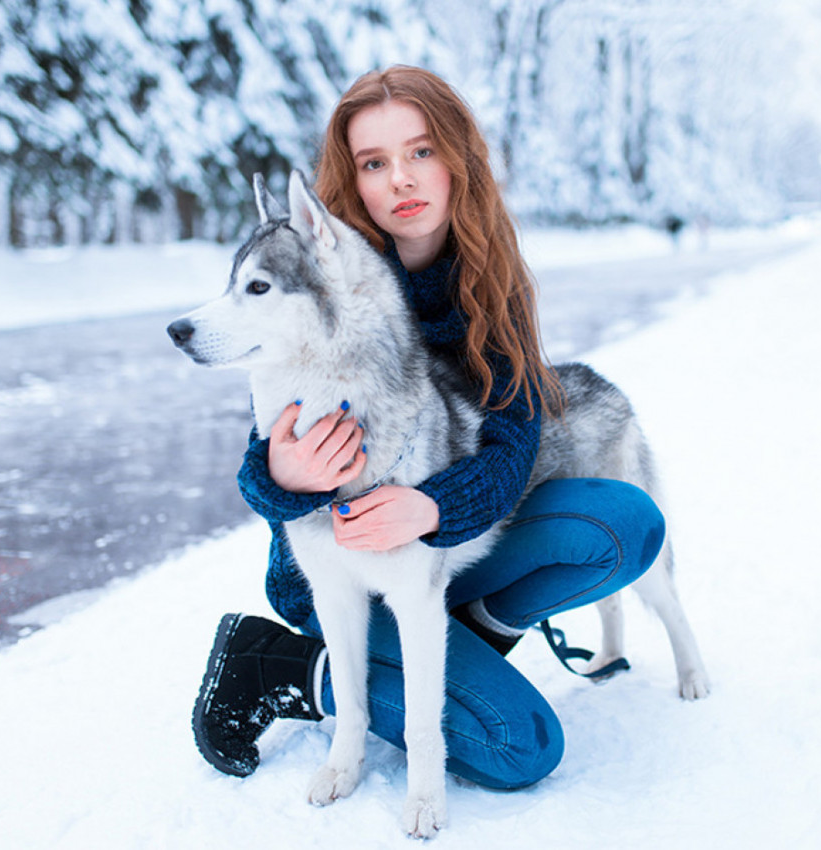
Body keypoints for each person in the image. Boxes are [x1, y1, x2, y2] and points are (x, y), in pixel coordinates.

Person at [192, 66, 668, 791]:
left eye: (420, 152)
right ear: (351, 179)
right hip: (338, 572)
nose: (401, 180)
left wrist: (436, 508)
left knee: (625, 524)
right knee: (518, 749)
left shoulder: (488, 280)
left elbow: (514, 444)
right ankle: (284, 663)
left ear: (456, 160)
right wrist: (281, 478)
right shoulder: (319, 275)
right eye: (374, 163)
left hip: (439, 551)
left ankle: (473, 634)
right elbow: (264, 458)